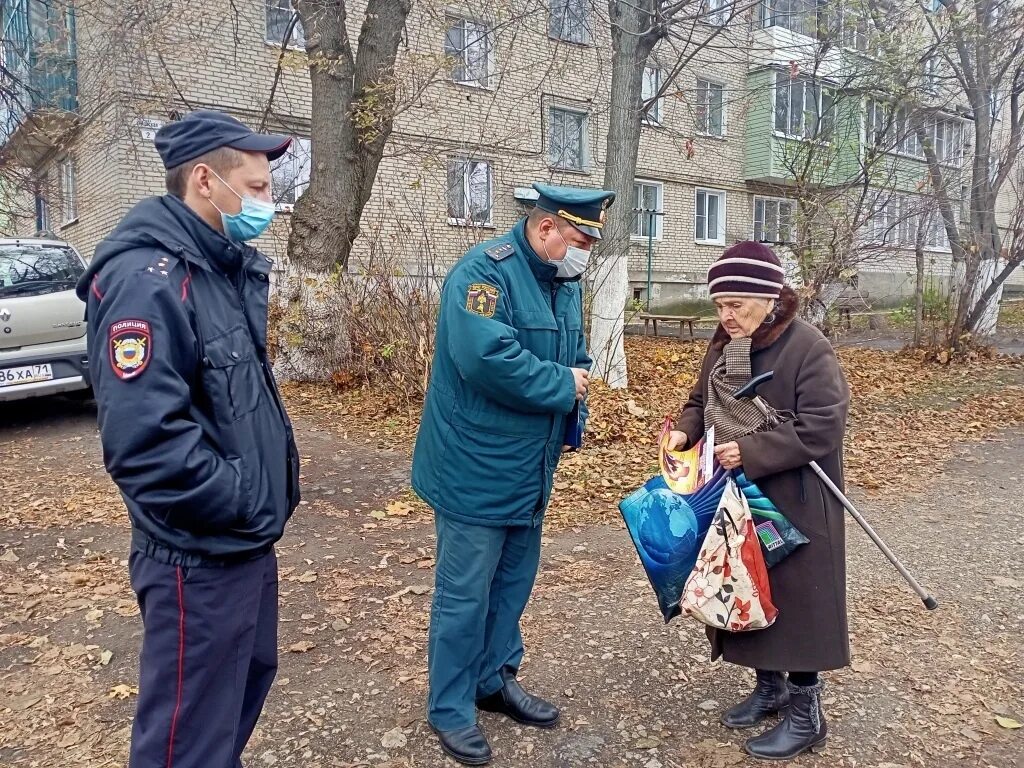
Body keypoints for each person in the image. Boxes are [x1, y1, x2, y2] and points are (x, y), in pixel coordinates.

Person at [76, 110, 302, 768]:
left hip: (243, 544)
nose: (268, 203)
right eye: (257, 188)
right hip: (198, 557)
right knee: (184, 741)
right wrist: (238, 499)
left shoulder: (217, 268)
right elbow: (146, 445)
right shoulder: (147, 283)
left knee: (234, 703)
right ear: (206, 180)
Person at [412, 182, 614, 765]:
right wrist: (564, 387)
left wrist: (574, 391)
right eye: (578, 239)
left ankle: (493, 679)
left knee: (512, 582)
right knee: (464, 593)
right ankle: (450, 706)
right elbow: (484, 358)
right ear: (545, 227)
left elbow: (574, 354)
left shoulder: (561, 281)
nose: (584, 253)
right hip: (474, 465)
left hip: (529, 466)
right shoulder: (483, 275)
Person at [667, 241, 850, 760]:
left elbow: (823, 428)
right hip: (733, 493)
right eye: (718, 305)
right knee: (745, 586)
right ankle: (769, 688)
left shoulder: (808, 346)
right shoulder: (726, 341)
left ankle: (806, 711)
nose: (725, 316)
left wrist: (749, 450)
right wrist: (685, 433)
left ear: (770, 297)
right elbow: (701, 400)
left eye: (736, 305)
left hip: (796, 496)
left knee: (798, 602)